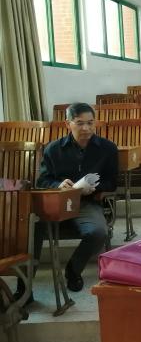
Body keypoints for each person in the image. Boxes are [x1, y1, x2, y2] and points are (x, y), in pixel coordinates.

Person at [17, 103, 118, 300]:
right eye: (80, 123)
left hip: (86, 202)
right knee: (31, 229)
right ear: (67, 124)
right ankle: (24, 290)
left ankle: (74, 269)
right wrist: (58, 184)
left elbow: (113, 182)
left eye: (90, 123)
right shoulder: (53, 149)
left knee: (98, 232)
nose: (86, 128)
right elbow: (42, 181)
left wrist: (95, 187)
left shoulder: (107, 148)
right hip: (57, 203)